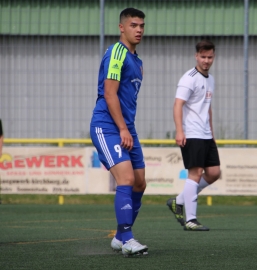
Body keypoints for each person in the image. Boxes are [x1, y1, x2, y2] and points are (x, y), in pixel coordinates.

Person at [89, 8, 148, 256]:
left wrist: (128, 128)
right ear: (121, 27)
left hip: (127, 127)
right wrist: (122, 128)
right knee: (125, 179)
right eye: (133, 25)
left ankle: (120, 236)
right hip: (107, 125)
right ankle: (128, 239)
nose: (139, 30)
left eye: (142, 26)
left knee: (140, 183)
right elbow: (110, 93)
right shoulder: (117, 53)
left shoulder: (138, 61)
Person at [167, 40, 221, 231]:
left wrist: (212, 133)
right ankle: (191, 220)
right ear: (196, 56)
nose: (206, 61)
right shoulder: (188, 78)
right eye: (203, 57)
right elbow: (177, 104)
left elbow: (208, 109)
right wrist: (180, 131)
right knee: (196, 173)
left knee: (214, 173)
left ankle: (179, 201)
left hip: (206, 134)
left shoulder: (211, 79)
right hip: (192, 133)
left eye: (210, 57)